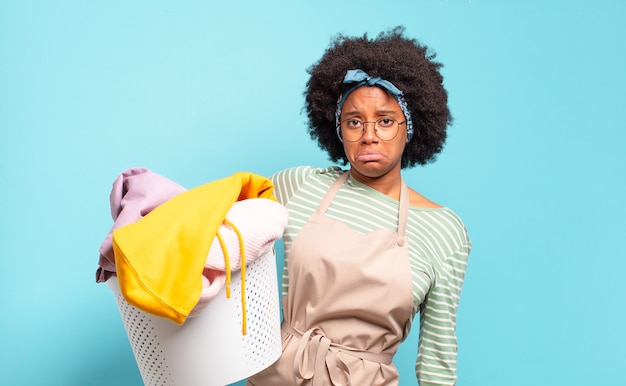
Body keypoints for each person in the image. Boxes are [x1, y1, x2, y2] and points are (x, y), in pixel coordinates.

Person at [247, 26, 471, 386]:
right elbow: (220, 241)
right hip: (276, 376)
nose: (369, 134)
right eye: (354, 121)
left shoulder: (444, 231)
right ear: (337, 129)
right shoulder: (299, 185)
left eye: (385, 120)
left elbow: (436, 361)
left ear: (410, 127)